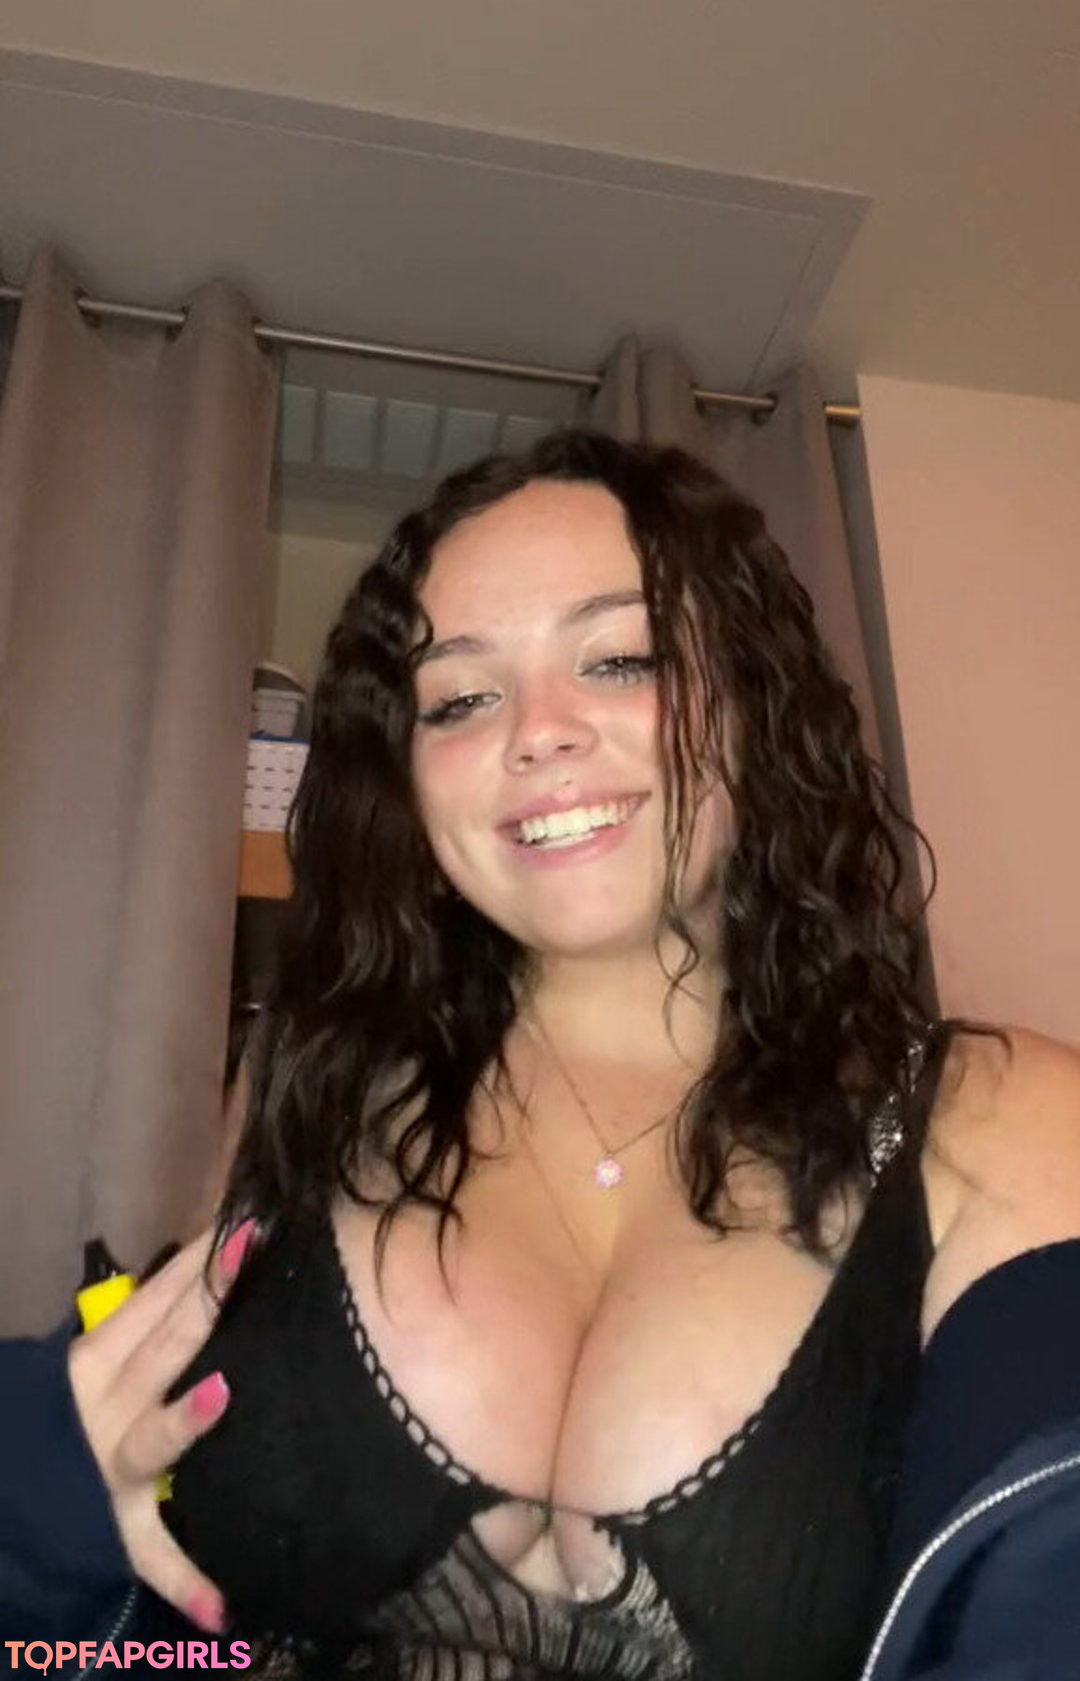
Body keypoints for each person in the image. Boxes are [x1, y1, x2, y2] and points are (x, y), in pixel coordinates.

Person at [4, 428, 1080, 1679]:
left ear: (754, 698)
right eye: (461, 698)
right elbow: (123, 1572)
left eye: (620, 659)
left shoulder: (1006, 1123)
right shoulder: (310, 1083)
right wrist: (50, 1503)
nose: (538, 734)